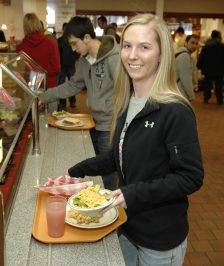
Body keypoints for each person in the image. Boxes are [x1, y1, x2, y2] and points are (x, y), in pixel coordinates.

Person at [68, 13, 204, 266]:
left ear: (161, 54)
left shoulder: (175, 111)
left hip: (159, 239)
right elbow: (121, 154)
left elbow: (190, 177)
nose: (132, 55)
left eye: (144, 47)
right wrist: (77, 171)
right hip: (127, 227)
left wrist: (131, 194)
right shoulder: (127, 100)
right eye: (127, 46)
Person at [38, 16, 119, 190]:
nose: (74, 49)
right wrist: (42, 96)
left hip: (111, 125)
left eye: (75, 43)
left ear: (87, 38)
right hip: (95, 122)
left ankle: (111, 206)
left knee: (109, 173)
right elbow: (73, 85)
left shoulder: (114, 58)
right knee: (99, 166)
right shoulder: (84, 61)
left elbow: (126, 92)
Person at [16, 13, 60, 88]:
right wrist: (41, 74)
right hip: (48, 85)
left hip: (30, 86)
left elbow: (21, 71)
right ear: (38, 24)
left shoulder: (20, 47)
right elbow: (56, 68)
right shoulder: (50, 43)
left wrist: (34, 75)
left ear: (25, 27)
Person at [197, 30, 224, 105]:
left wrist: (199, 66)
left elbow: (202, 57)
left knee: (207, 85)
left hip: (208, 69)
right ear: (219, 36)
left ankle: (206, 98)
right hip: (219, 70)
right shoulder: (223, 47)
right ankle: (219, 99)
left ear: (211, 36)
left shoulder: (206, 46)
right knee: (219, 85)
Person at [57, 23, 80, 110]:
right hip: (61, 67)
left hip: (71, 66)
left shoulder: (72, 41)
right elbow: (57, 53)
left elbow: (77, 52)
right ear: (63, 30)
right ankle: (62, 103)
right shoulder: (59, 40)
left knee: (72, 84)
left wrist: (74, 59)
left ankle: (72, 101)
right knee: (61, 85)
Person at [175, 34, 200, 101]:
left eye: (196, 44)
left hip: (177, 92)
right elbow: (186, 79)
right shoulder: (184, 56)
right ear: (186, 43)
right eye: (192, 43)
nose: (194, 46)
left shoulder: (185, 55)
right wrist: (191, 96)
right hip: (180, 93)